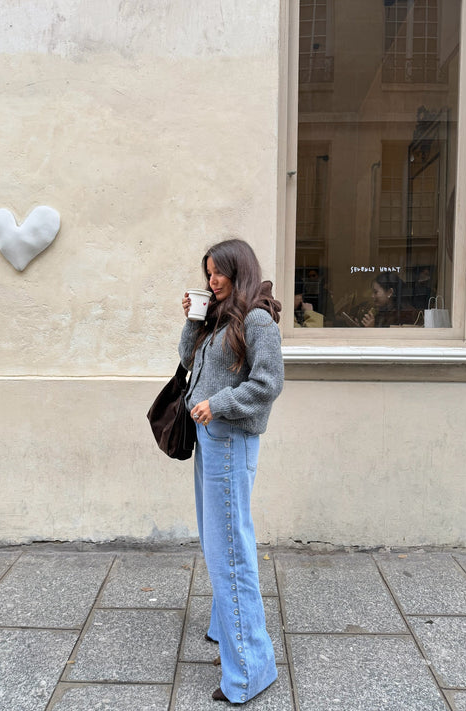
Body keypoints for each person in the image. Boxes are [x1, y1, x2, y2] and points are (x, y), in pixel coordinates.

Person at [179, 239, 284, 704]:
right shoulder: (220, 317)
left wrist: (218, 404)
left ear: (239, 271)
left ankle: (249, 672)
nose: (212, 280)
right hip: (210, 438)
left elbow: (268, 383)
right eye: (208, 273)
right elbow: (188, 362)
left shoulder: (258, 320)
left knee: (230, 549)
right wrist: (193, 320)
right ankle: (226, 626)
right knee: (216, 541)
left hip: (229, 439)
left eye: (219, 272)